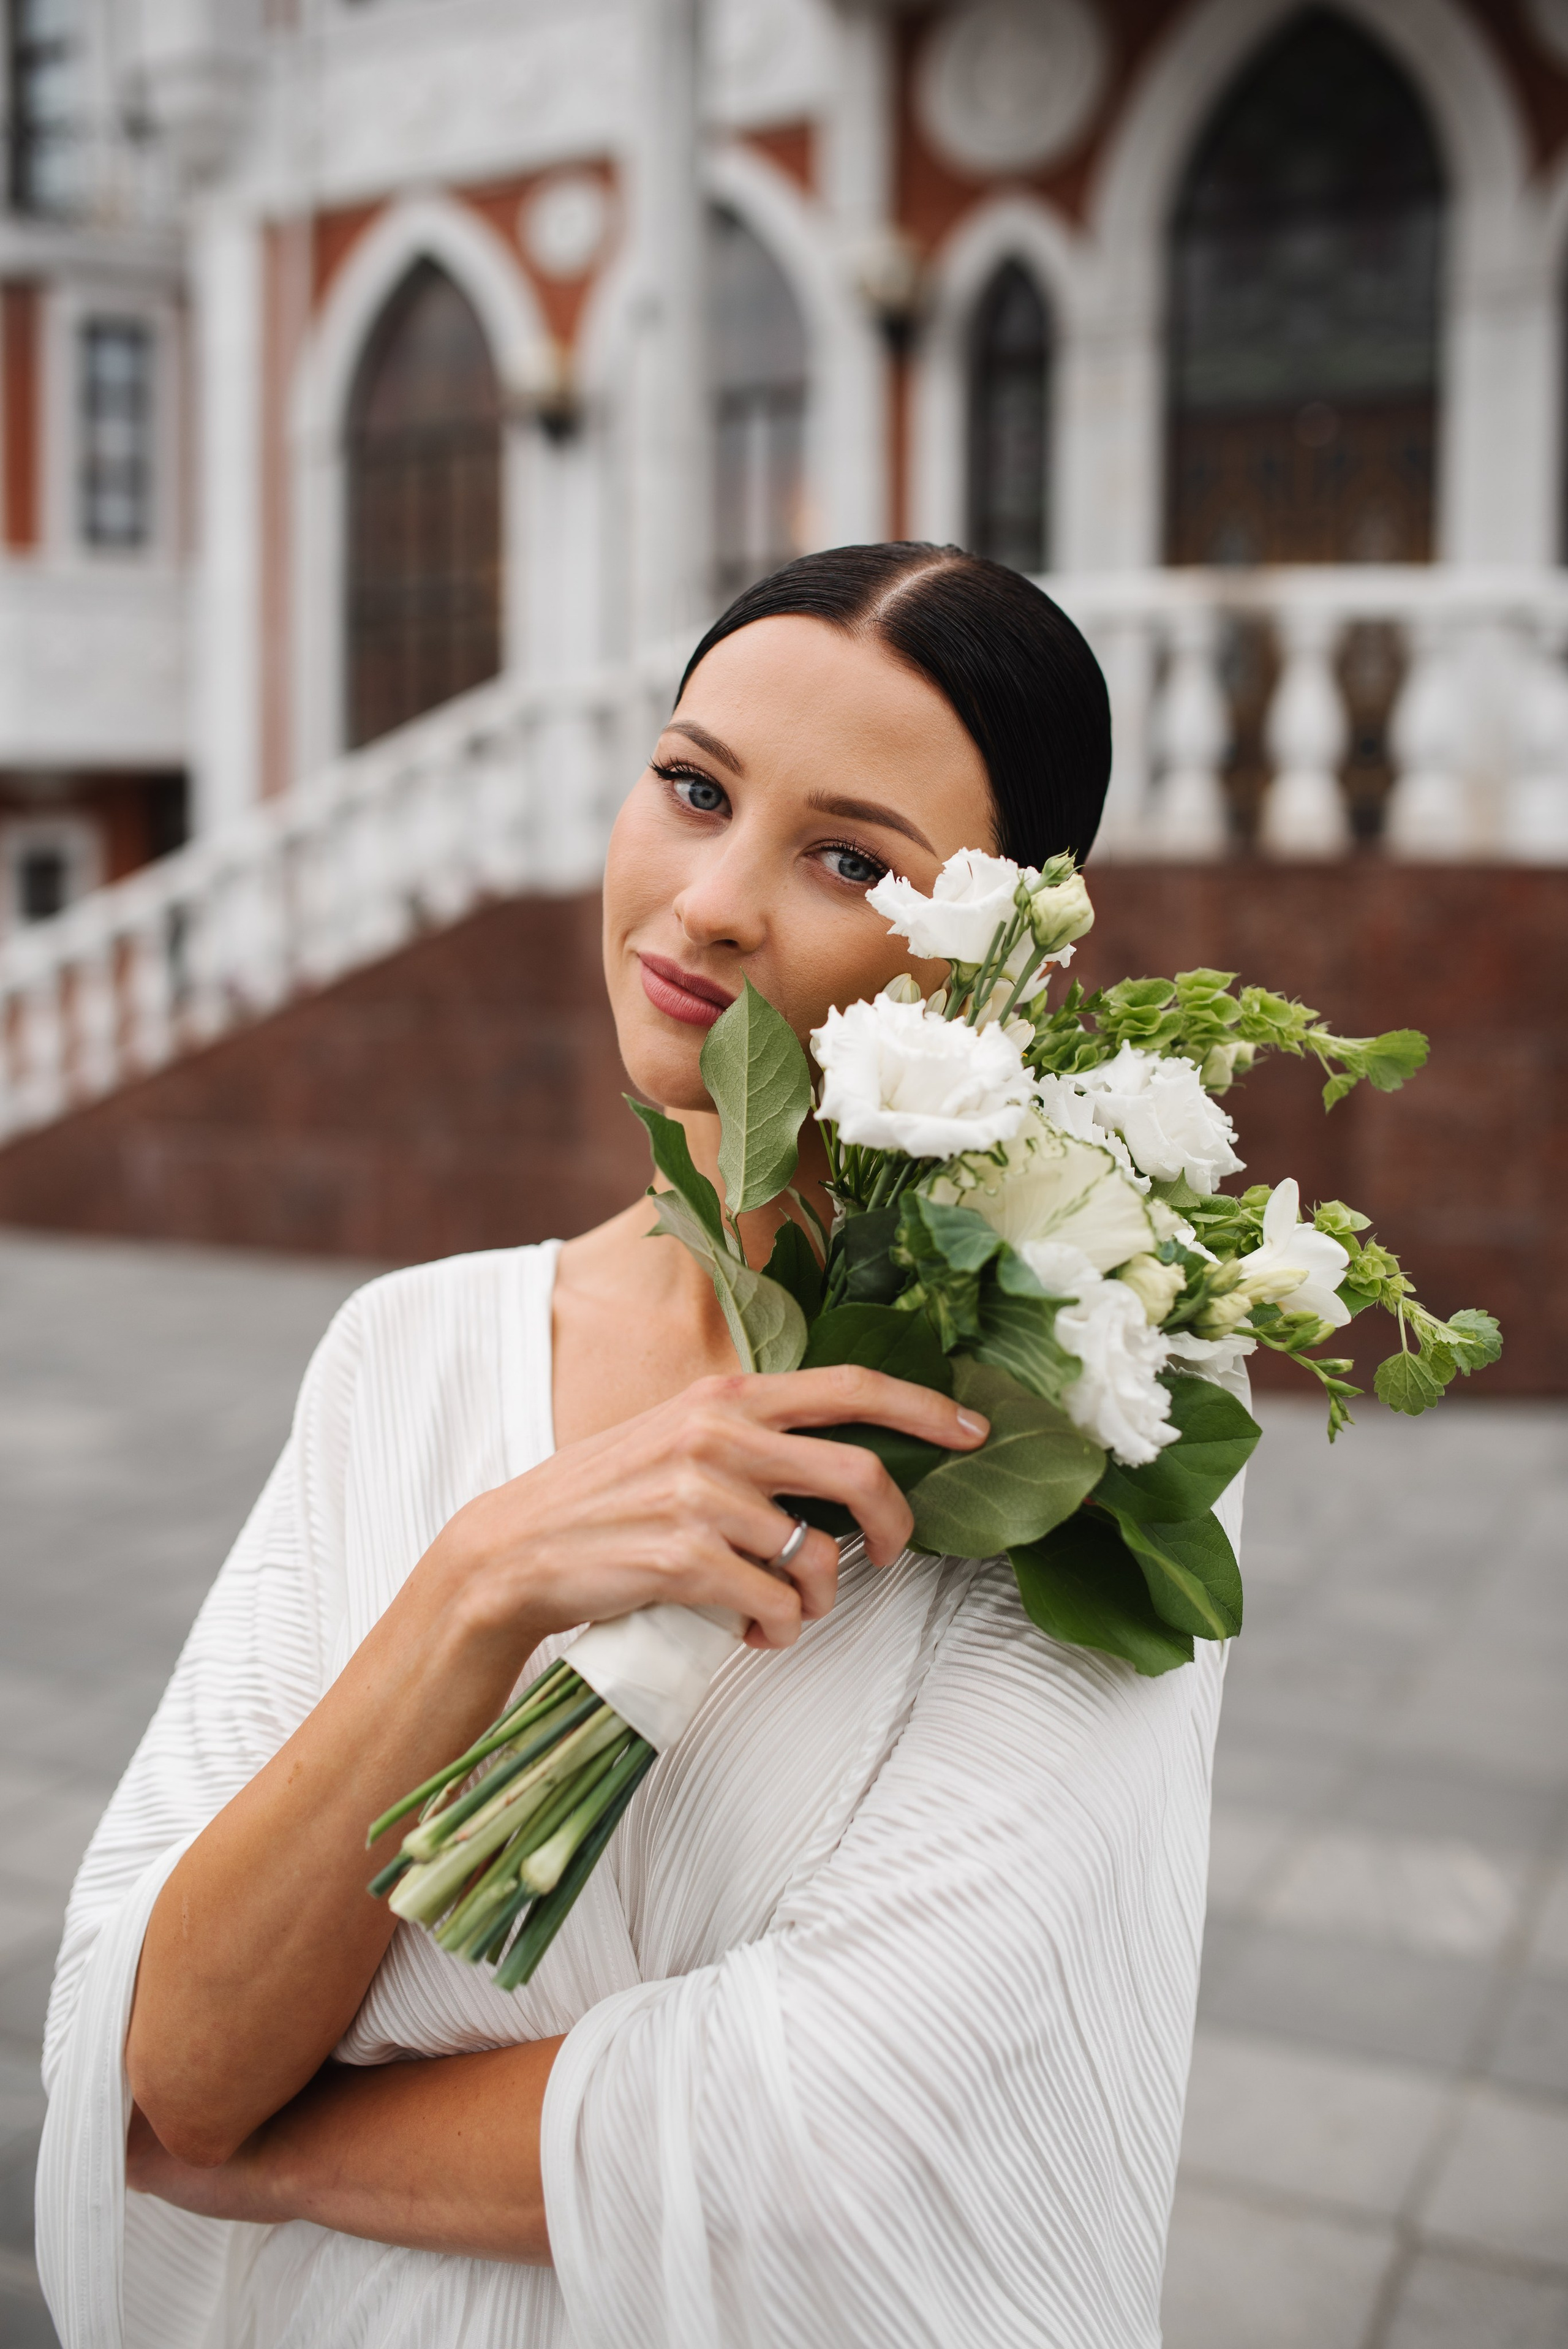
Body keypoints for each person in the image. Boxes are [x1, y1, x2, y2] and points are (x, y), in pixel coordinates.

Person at [39, 543, 1238, 2349]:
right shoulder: (403, 1353)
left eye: (850, 858)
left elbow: (825, 2127)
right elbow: (162, 2056)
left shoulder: (1077, 1436)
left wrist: (274, 2150)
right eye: (690, 787)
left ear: (1000, 953)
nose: (712, 900)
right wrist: (482, 1580)